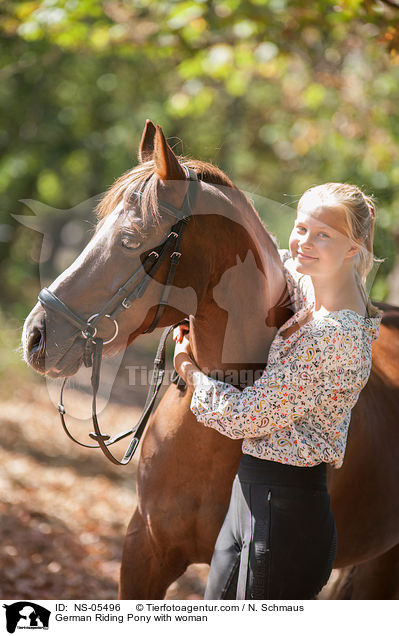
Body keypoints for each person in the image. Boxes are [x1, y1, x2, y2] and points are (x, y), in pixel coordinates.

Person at [173, 182, 383, 600]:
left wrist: (190, 371)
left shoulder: (333, 335)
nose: (305, 242)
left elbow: (247, 416)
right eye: (302, 227)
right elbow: (281, 262)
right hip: (249, 493)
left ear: (353, 249)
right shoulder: (319, 288)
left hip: (286, 513)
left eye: (324, 234)